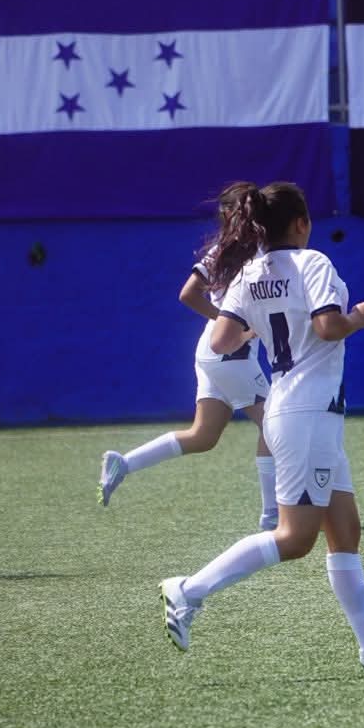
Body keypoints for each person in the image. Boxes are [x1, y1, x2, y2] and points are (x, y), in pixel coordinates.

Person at [157, 182, 364, 673]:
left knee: (345, 530)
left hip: (299, 410)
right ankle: (189, 589)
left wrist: (261, 322)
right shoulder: (313, 262)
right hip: (307, 413)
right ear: (302, 223)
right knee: (295, 538)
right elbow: (328, 327)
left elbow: (220, 341)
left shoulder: (249, 272)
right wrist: (358, 319)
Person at [98, 182, 277, 530]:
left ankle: (124, 463)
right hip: (229, 353)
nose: (253, 213)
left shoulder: (229, 250)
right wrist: (231, 324)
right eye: (249, 207)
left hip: (212, 350)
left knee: (203, 436)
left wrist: (227, 323)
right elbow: (188, 294)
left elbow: (190, 294)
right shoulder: (250, 252)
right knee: (273, 426)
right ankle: (273, 516)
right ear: (233, 213)